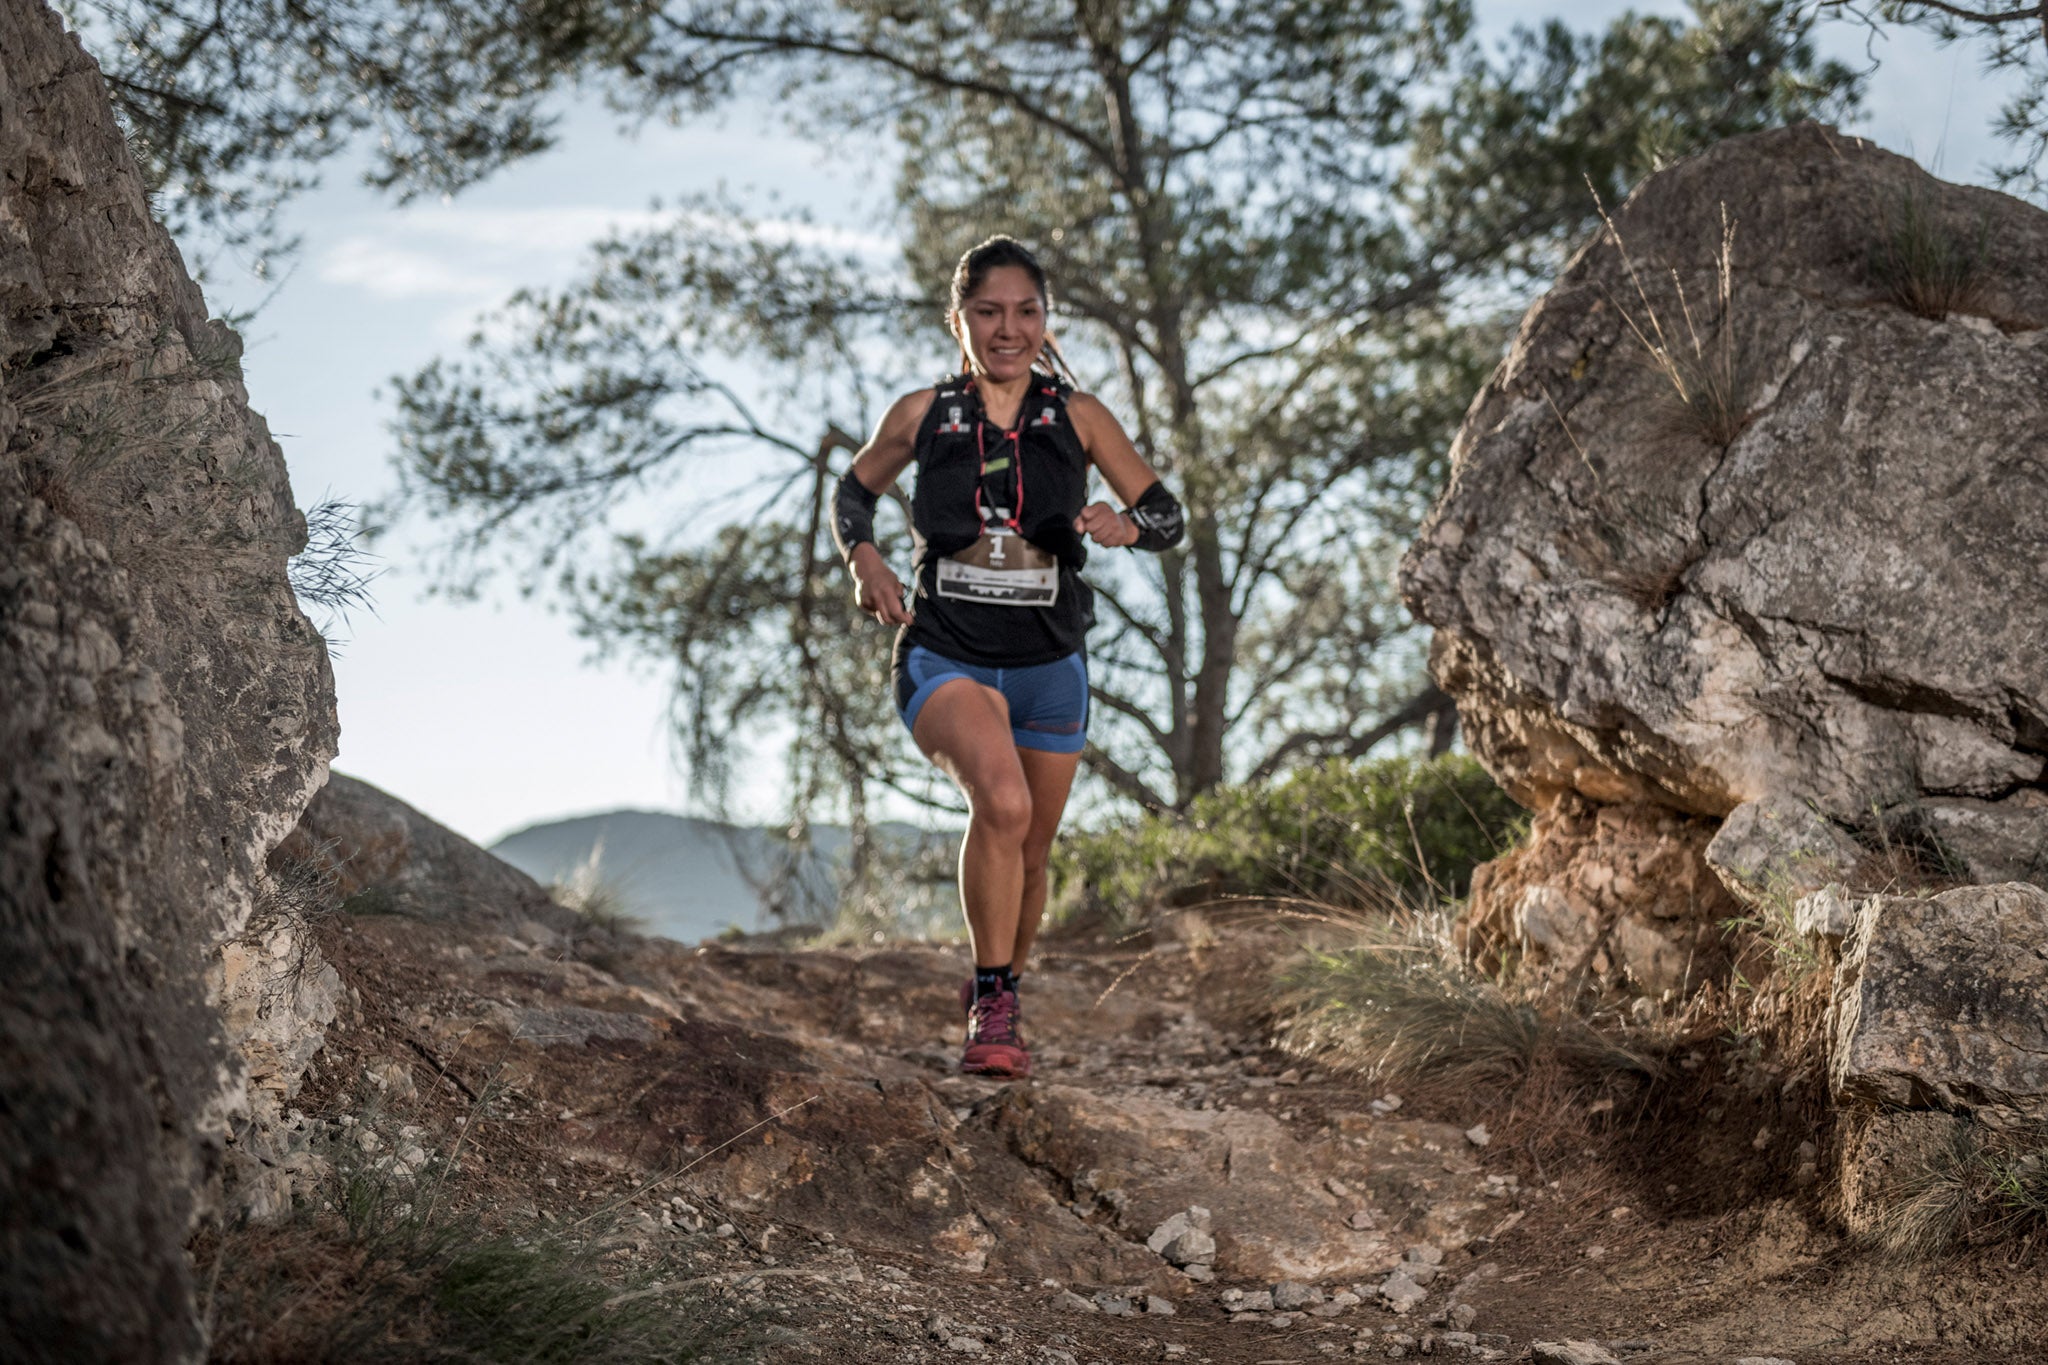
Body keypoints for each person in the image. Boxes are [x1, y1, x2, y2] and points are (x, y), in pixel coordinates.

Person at [830, 236, 1184, 1077]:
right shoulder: (924, 414)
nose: (1008, 328)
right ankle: (993, 1004)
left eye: (1026, 311)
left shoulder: (1081, 417)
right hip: (945, 651)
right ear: (959, 320)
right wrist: (866, 558)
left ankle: (1002, 985)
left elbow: (1167, 516)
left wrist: (1126, 526)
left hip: (1050, 663)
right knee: (1001, 800)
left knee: (1030, 850)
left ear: (1044, 320)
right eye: (988, 311)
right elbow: (854, 490)